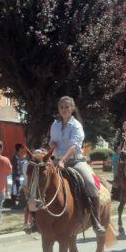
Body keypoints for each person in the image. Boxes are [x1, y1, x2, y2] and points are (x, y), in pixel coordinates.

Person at [48, 96, 105, 235]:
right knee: (38, 179)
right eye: (61, 107)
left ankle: (95, 220)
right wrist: (52, 145)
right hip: (57, 160)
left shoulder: (76, 126)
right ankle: (33, 219)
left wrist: (63, 161)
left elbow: (74, 146)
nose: (64, 109)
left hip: (75, 161)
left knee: (90, 184)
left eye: (67, 107)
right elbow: (52, 142)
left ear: (72, 108)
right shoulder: (54, 125)